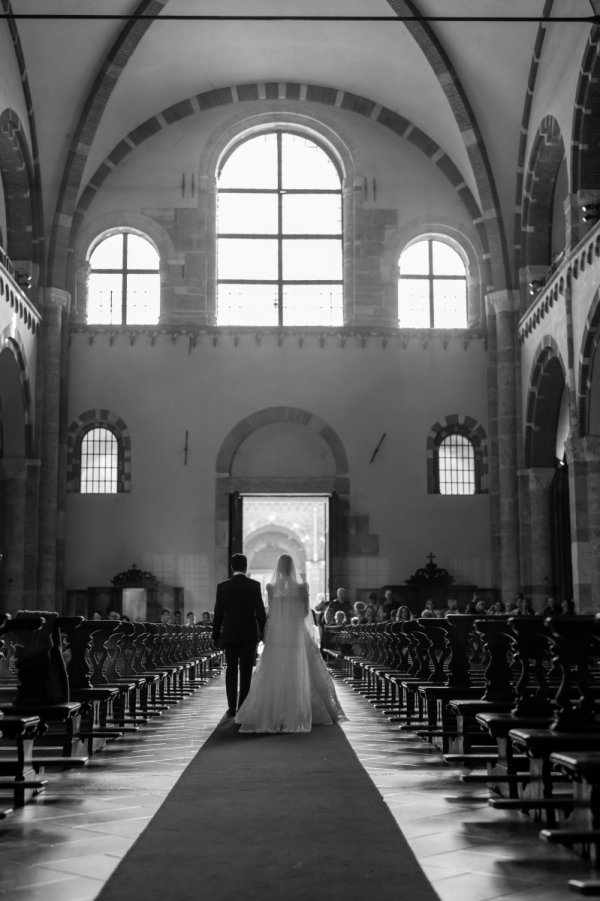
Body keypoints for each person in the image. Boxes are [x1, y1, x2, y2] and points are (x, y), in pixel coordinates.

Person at [235, 553, 346, 733]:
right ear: (293, 567)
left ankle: (274, 712)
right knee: (300, 667)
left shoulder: (271, 587)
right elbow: (304, 613)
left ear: (277, 567)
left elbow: (270, 612)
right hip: (296, 632)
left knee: (275, 669)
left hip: (278, 633)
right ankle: (301, 709)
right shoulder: (302, 586)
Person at [213, 553, 266, 717]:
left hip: (229, 634)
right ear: (245, 566)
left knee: (230, 670)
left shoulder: (223, 586)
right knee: (246, 671)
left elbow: (218, 613)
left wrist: (215, 635)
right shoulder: (254, 585)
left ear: (232, 567)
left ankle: (231, 707)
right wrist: (264, 632)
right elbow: (260, 612)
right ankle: (243, 706)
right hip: (248, 634)